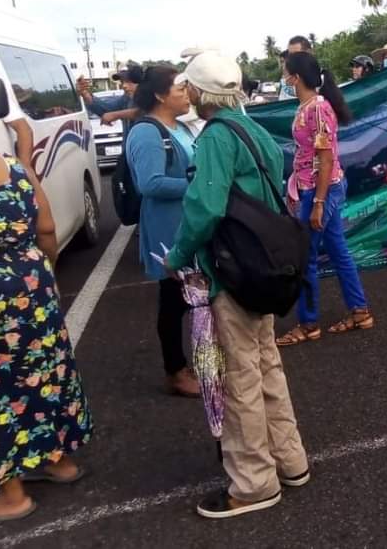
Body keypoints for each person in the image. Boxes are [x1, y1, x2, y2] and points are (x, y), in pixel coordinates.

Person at [164, 52, 308, 519]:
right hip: (264, 269)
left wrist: (178, 255)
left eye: (190, 88)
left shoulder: (214, 139)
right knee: (268, 364)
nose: (187, 94)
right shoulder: (257, 131)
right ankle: (290, 460)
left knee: (239, 376)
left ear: (204, 93)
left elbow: (205, 208)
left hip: (232, 275)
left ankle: (253, 483)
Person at [0, 114, 92, 523]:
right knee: (44, 369)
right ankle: (59, 461)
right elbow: (46, 229)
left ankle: (11, 494)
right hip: (32, 282)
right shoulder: (13, 168)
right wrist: (40, 271)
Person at [275, 52, 373, 347]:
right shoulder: (307, 106)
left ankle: (308, 324)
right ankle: (359, 312)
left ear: (296, 77)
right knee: (338, 251)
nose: (284, 78)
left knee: (306, 258)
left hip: (322, 190)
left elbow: (325, 158)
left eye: (285, 72)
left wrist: (317, 202)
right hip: (317, 188)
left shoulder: (317, 109)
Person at [124, 65, 200, 397]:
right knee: (173, 300)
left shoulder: (180, 126)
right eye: (180, 89)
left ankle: (191, 362)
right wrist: (197, 186)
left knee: (192, 296)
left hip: (189, 221)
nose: (186, 94)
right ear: (160, 95)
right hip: (168, 227)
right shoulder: (146, 132)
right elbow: (149, 183)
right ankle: (176, 371)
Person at [77, 63, 144, 127]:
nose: (124, 85)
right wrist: (86, 95)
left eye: (129, 81)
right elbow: (106, 110)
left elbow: (144, 112)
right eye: (122, 81)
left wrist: (116, 115)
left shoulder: (152, 97)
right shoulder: (126, 99)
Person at [278, 36, 313, 101]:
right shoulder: (285, 81)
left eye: (296, 54)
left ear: (308, 52)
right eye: (290, 55)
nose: (292, 59)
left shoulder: (322, 80)